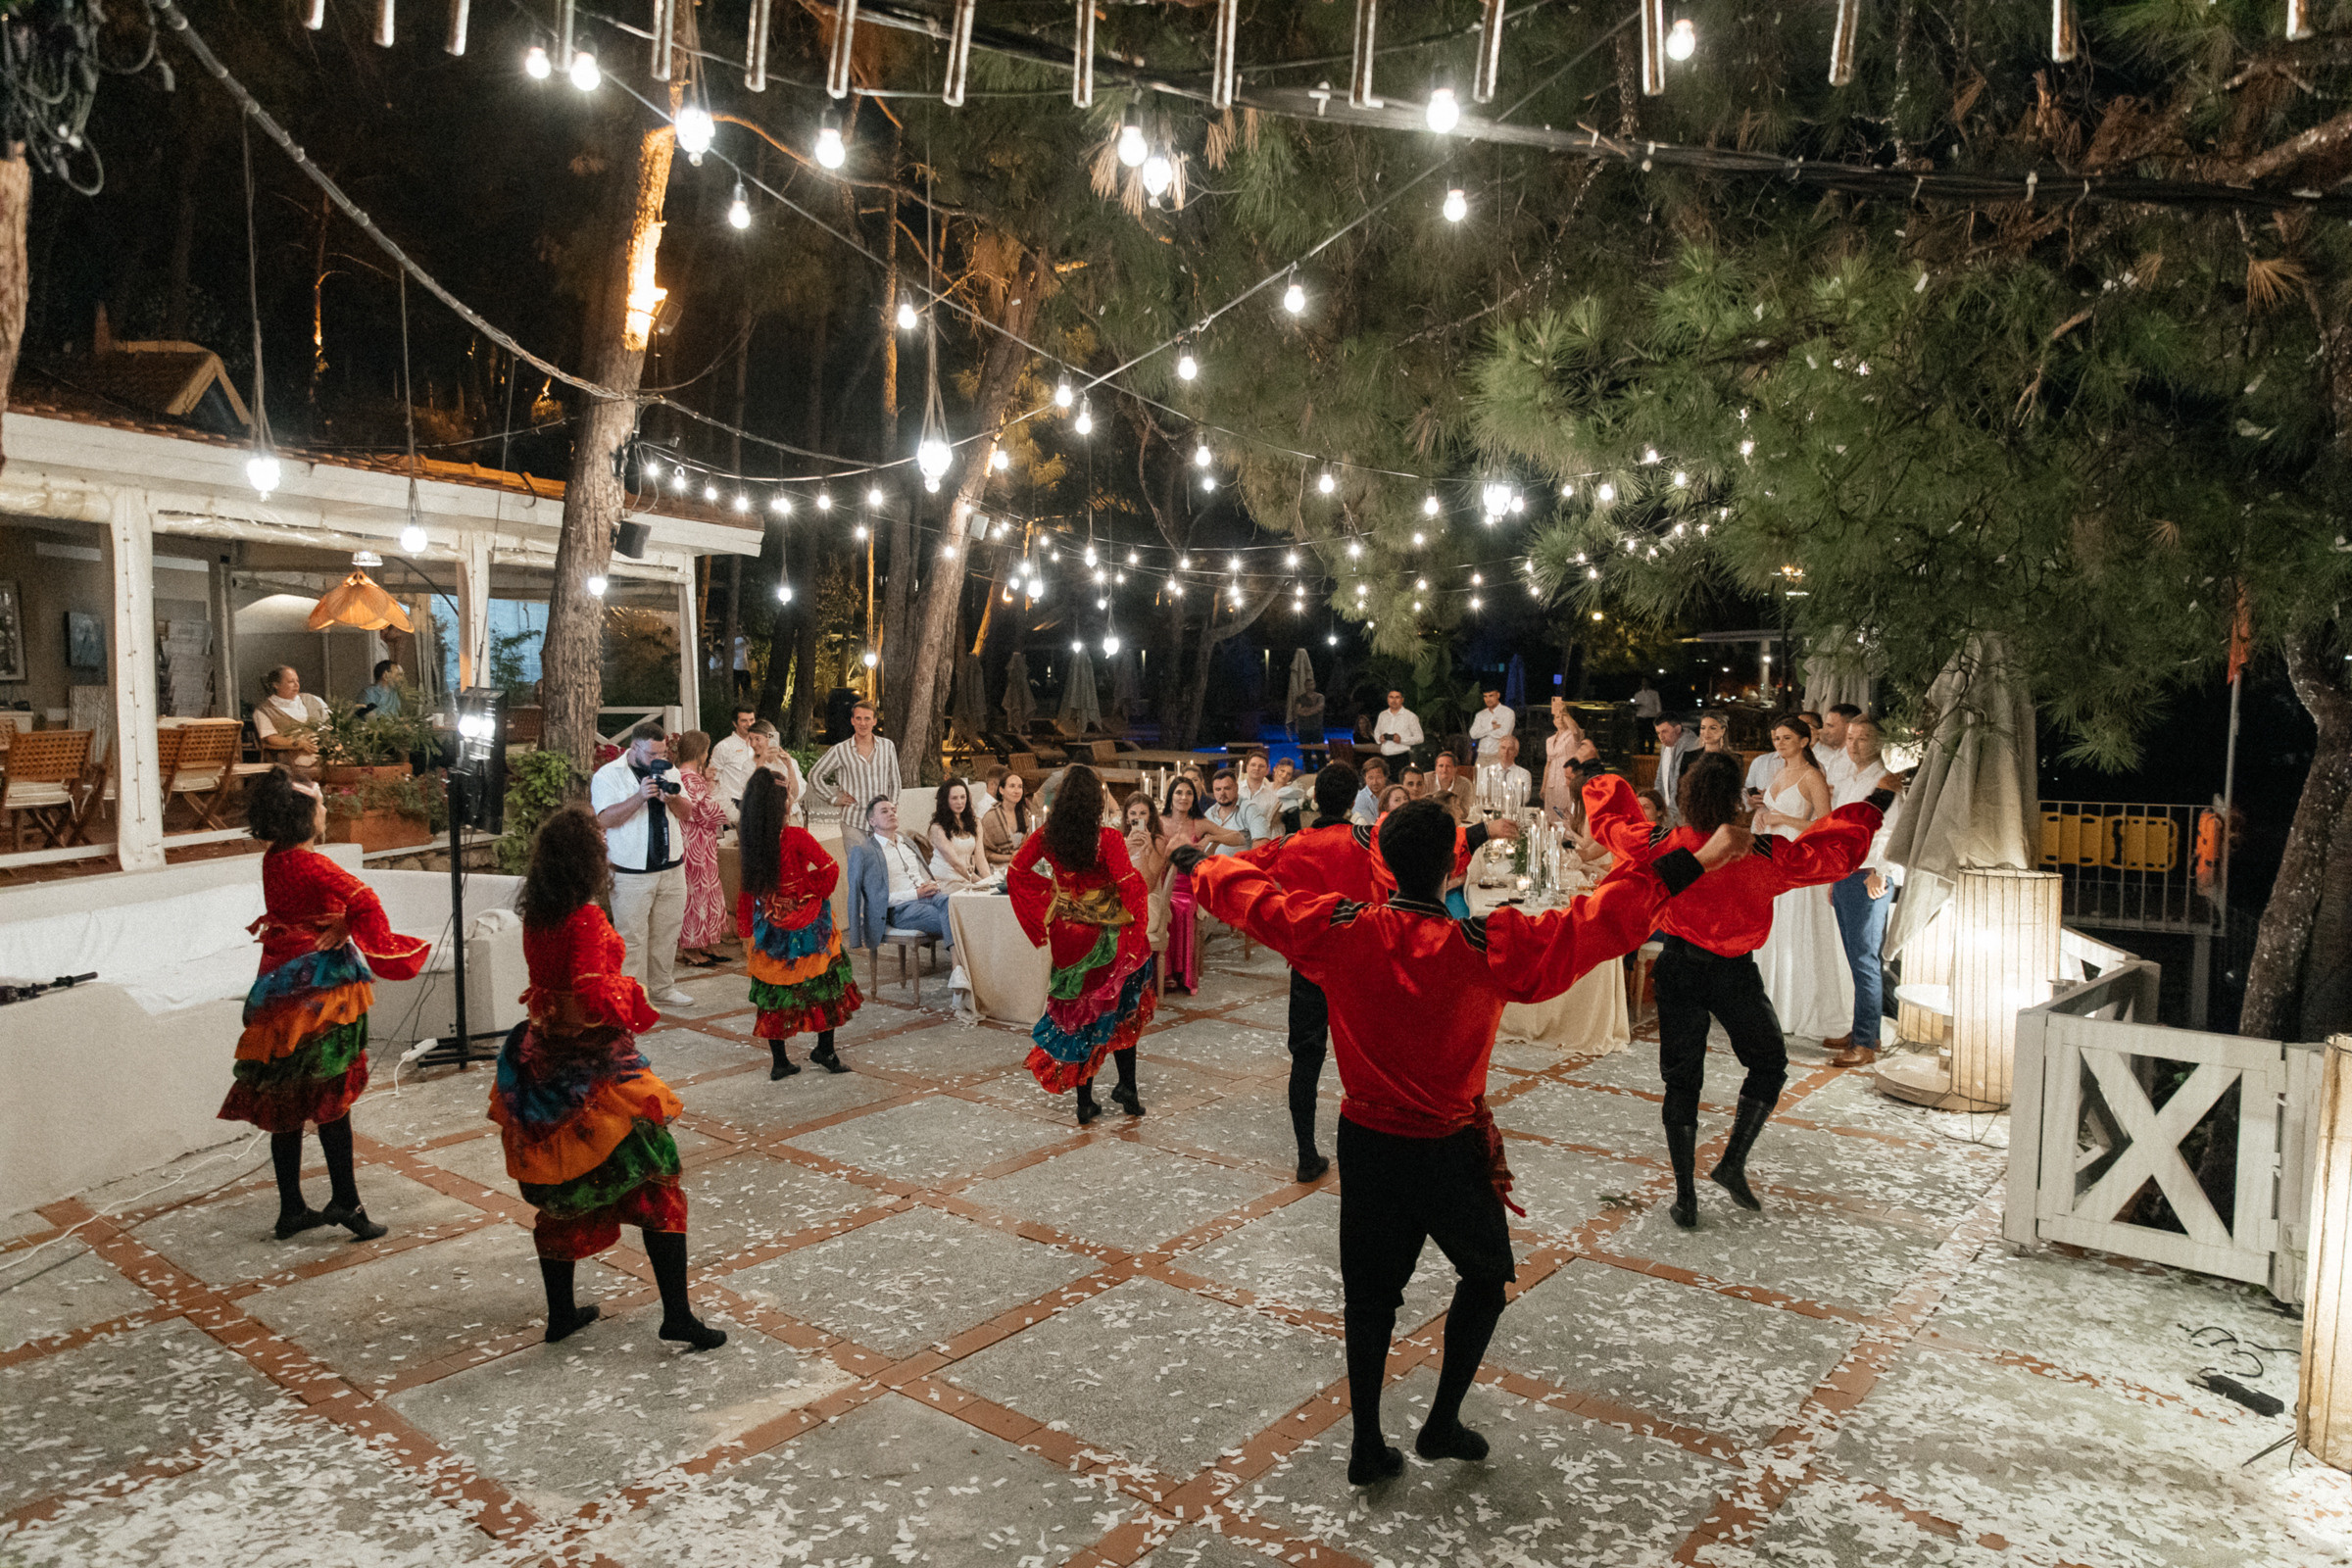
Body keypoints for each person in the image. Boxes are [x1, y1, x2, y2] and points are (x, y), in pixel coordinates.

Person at [1182, 796, 1745, 1486]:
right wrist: (1698, 861)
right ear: (1456, 862)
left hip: (1367, 1141)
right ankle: (1441, 1420)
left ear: (1380, 863)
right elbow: (1600, 920)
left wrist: (1195, 860)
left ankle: (1367, 1444)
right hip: (1448, 1148)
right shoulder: (1489, 947)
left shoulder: (1340, 930)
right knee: (1484, 1279)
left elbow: (1248, 894)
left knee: (1369, 1298)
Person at [1585, 753, 1890, 1231]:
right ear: (1735, 800)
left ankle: (1688, 1194)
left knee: (1682, 1081)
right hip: (1732, 972)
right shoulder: (1762, 851)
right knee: (1769, 1063)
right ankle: (1729, 1163)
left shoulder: (1664, 842)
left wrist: (1598, 773)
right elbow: (1835, 852)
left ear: (1686, 797)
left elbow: (1613, 826)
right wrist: (1877, 801)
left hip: (1680, 968)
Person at [495, 808, 725, 1350]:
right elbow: (596, 993)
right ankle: (676, 1315)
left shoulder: (540, 916)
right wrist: (634, 1001)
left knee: (563, 1187)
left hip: (544, 1062)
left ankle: (562, 1315)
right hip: (596, 1073)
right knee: (658, 1179)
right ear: (589, 862)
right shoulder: (585, 920)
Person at [223, 766, 427, 1243]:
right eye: (320, 805)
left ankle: (291, 1207)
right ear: (303, 817)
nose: (326, 810)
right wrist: (351, 926)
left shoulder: (274, 859)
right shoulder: (313, 865)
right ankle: (345, 1200)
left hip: (278, 985)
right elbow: (367, 899)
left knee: (286, 1097)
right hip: (319, 991)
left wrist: (339, 919)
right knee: (332, 1093)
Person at [1237, 763, 1389, 1183]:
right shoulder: (1366, 840)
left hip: (1309, 966)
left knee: (1306, 1060)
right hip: (1357, 968)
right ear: (1353, 799)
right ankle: (1374, 1155)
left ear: (1315, 799)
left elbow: (1245, 869)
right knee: (1369, 1061)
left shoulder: (1291, 846)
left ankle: (1306, 1153)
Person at [1008, 764, 1157, 1126]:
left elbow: (1016, 870)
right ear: (1096, 802)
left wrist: (1052, 895)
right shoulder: (1107, 839)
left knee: (1079, 1016)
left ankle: (1084, 1102)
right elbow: (1128, 885)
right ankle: (1129, 1091)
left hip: (1066, 934)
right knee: (1122, 1006)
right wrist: (1138, 915)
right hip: (1103, 934)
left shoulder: (1047, 836)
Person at [739, 769, 860, 1079]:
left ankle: (780, 1062)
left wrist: (746, 927)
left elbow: (746, 888)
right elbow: (830, 869)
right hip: (811, 926)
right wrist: (807, 889)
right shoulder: (795, 836)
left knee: (774, 989)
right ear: (783, 803)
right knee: (825, 982)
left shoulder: (751, 841)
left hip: (771, 928)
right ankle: (825, 1050)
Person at [1748, 716, 1856, 1045]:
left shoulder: (1812, 776)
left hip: (1799, 858)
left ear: (1804, 741)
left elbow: (1825, 826)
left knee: (1797, 929)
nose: (1779, 744)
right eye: (1776, 738)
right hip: (1773, 857)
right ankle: (1770, 1007)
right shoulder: (1779, 773)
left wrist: (1783, 818)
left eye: (1786, 738)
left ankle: (1798, 1008)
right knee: (1774, 929)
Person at [589, 719, 696, 1010]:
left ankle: (663, 988)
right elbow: (604, 819)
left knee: (667, 932)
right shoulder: (608, 775)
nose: (658, 760)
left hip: (671, 865)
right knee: (632, 937)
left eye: (663, 753)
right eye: (652, 755)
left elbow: (687, 813)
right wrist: (639, 797)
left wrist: (672, 798)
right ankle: (632, 996)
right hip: (631, 870)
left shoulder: (669, 769)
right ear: (633, 747)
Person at [1827, 718, 1895, 1067]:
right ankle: (1861, 1031)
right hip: (1847, 871)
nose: (1854, 745)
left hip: (1869, 874)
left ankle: (1866, 1042)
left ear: (1878, 742)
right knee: (1855, 958)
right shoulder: (1849, 778)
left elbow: (1890, 832)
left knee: (1866, 960)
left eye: (1863, 738)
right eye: (1850, 738)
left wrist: (1880, 873)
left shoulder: (1886, 780)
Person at [854, 796, 954, 959]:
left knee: (957, 907)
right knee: (955, 921)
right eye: (884, 811)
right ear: (872, 821)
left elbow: (920, 874)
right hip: (902, 910)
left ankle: (959, 970)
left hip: (929, 898)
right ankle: (961, 968)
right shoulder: (867, 852)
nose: (892, 814)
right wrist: (916, 894)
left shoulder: (906, 842)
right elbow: (876, 901)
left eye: (893, 810)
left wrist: (929, 885)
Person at [669, 730, 732, 968]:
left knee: (703, 892)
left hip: (696, 841)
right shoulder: (690, 778)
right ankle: (692, 948)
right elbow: (708, 812)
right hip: (695, 843)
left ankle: (703, 942)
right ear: (701, 753)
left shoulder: (685, 777)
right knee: (696, 894)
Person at [806, 700, 901, 854]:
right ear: (852, 721)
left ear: (875, 721)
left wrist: (892, 806)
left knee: (885, 868)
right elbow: (814, 775)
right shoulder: (840, 750)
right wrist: (833, 799)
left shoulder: (887, 747)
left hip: (881, 824)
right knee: (857, 872)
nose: (862, 723)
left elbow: (895, 781)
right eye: (858, 718)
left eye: (867, 718)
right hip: (853, 822)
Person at [1161, 776, 1211, 993]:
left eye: (1189, 793)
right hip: (1162, 884)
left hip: (1187, 887)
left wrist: (1209, 840)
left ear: (1194, 798)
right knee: (1164, 905)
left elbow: (1237, 837)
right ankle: (1165, 973)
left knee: (1180, 907)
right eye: (1179, 792)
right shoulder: (1160, 820)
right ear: (1171, 796)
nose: (1183, 797)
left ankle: (1181, 975)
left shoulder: (1198, 823)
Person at [1122, 794, 1173, 979]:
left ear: (1150, 816)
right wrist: (1124, 850)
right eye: (1133, 813)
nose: (1137, 818)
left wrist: (1145, 852)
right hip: (1126, 899)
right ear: (1127, 817)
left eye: (1143, 813)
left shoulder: (1157, 841)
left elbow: (1149, 886)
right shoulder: (1122, 840)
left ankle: (1133, 981)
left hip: (1149, 902)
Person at [252, 666, 331, 778]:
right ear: (276, 685)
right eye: (290, 682)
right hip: (293, 756)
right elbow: (270, 738)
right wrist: (299, 743)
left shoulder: (313, 700)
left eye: (297, 681)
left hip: (325, 749)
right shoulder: (264, 711)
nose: (296, 685)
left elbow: (332, 724)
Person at [928, 778, 991, 890]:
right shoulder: (937, 828)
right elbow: (955, 863)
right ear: (945, 800)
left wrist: (990, 881)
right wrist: (979, 882)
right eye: (954, 798)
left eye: (963, 797)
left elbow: (980, 858)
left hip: (966, 879)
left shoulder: (976, 823)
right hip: (944, 881)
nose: (960, 802)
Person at [747, 721, 808, 823]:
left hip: (789, 817)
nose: (752, 744)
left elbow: (795, 794)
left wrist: (789, 767)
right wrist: (761, 761)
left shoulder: (789, 762)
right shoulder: (749, 764)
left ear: (771, 738)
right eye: (750, 739)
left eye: (757, 739)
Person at [709, 705, 760, 825]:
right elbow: (712, 780)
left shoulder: (759, 746)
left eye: (751, 720)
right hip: (733, 805)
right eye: (744, 721)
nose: (749, 724)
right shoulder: (723, 746)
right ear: (735, 723)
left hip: (755, 802)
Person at [1543, 697, 1586, 826]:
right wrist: (1544, 785)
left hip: (1566, 778)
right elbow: (1548, 763)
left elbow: (1576, 731)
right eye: (1557, 717)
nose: (1560, 719)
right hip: (1552, 780)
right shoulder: (1550, 740)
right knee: (1551, 811)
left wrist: (1564, 712)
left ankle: (1567, 836)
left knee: (1564, 811)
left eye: (1562, 717)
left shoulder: (1572, 736)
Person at [980, 766, 1033, 867]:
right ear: (1001, 790)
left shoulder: (1026, 814)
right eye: (1012, 786)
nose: (1016, 791)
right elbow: (985, 853)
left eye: (1020, 787)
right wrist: (1010, 858)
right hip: (999, 868)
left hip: (1023, 865)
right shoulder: (991, 817)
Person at [1652, 715, 1701, 815]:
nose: (1661, 737)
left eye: (1664, 731)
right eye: (1658, 733)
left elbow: (1679, 783)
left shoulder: (1691, 747)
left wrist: (1671, 812)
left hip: (1683, 811)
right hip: (1667, 808)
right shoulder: (1666, 745)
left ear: (1678, 729)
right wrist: (1655, 802)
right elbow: (1660, 777)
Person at [1203, 769, 1255, 856]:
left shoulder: (1250, 809)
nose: (1222, 793)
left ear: (1236, 788)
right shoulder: (1208, 814)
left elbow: (1261, 843)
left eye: (1227, 788)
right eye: (1218, 789)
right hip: (1212, 866)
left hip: (1239, 866)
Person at [1371, 689, 1423, 769]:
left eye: (1397, 697)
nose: (1394, 700)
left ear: (1402, 699)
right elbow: (1377, 731)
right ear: (1387, 699)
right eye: (1391, 697)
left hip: (1401, 758)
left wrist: (1401, 740)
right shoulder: (1382, 715)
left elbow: (1420, 738)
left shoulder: (1410, 716)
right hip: (1384, 758)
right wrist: (1379, 738)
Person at [1468, 686, 1514, 761]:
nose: (1488, 699)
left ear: (1498, 695)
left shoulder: (1508, 713)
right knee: (1478, 773)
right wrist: (1491, 727)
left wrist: (1482, 732)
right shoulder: (1480, 715)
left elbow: (1504, 734)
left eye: (1491, 696)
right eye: (1485, 696)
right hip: (1481, 755)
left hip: (1499, 755)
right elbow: (1473, 734)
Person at [1427, 751, 1475, 823]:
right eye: (1441, 766)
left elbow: (1465, 812)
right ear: (1435, 768)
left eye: (1448, 766)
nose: (1444, 770)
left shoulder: (1465, 784)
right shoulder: (1425, 780)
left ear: (1455, 769)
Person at [1491, 735, 1534, 805]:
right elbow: (1484, 795)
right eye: (1503, 748)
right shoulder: (1487, 772)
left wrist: (1499, 797)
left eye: (1510, 749)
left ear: (1516, 753)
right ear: (1498, 750)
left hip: (1514, 813)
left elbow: (1524, 799)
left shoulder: (1524, 774)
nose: (1506, 752)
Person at [1351, 755, 1390, 824]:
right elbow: (1370, 826)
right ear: (1364, 778)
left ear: (1385, 777)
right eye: (1370, 778)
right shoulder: (1361, 799)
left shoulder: (1390, 794)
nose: (1375, 782)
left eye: (1378, 777)